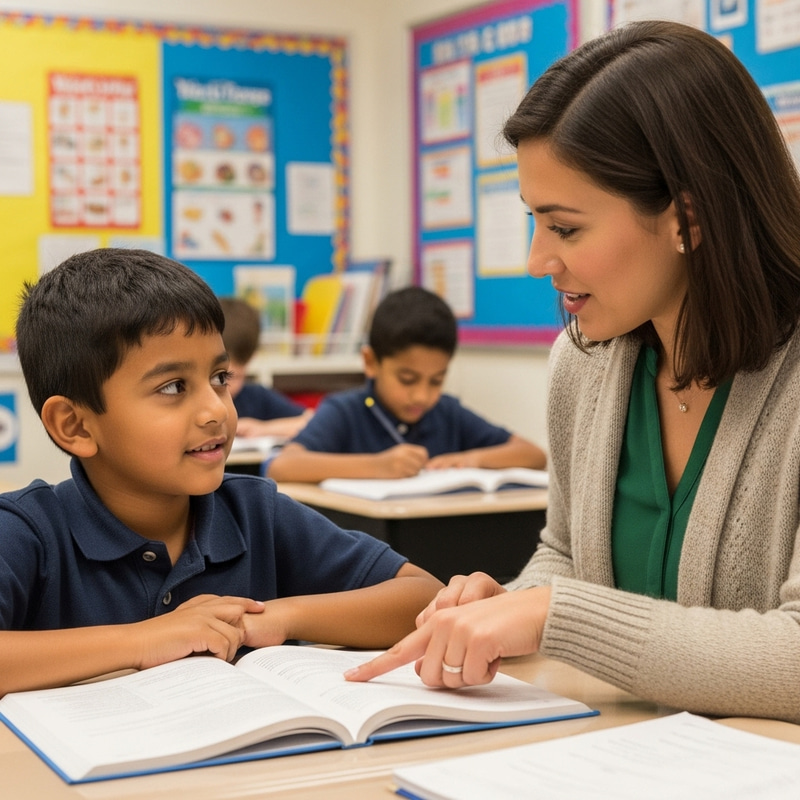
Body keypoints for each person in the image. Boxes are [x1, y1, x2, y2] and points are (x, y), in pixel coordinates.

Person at [345, 21, 800, 724]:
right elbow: (567, 555)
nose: (536, 260)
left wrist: (554, 613)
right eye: (532, 221)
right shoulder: (584, 365)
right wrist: (507, 604)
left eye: (565, 228)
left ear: (690, 215)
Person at [0, 248, 443, 696]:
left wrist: (278, 617)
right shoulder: (28, 532)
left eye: (219, 377)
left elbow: (424, 597)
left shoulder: (254, 512)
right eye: (173, 387)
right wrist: (145, 639)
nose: (216, 410)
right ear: (74, 425)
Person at [267, 286, 546, 482]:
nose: (422, 396)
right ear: (371, 362)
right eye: (407, 380)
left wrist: (473, 460)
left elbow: (533, 455)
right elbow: (281, 466)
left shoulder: (446, 412)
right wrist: (376, 466)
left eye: (436, 381)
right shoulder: (347, 411)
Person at [219, 296, 312, 439]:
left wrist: (264, 429)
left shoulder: (256, 397)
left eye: (236, 376)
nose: (227, 387)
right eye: (219, 378)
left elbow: (314, 421)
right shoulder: (197, 400)